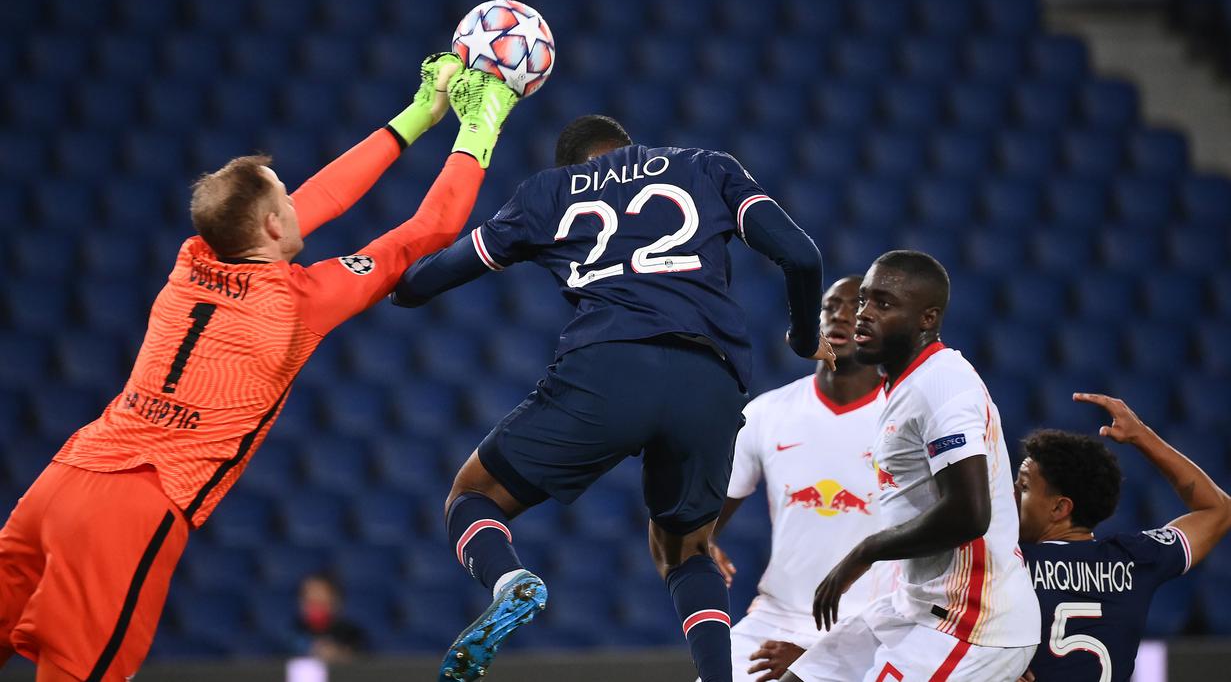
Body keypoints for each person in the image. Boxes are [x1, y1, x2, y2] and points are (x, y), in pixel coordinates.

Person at [0, 54, 520, 682]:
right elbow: (431, 227)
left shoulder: (192, 258)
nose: (300, 203)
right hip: (133, 503)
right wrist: (481, 123)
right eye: (284, 198)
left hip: (63, 478)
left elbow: (318, 198)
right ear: (273, 225)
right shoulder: (298, 305)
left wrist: (419, 114)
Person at [391, 114, 835, 682]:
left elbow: (426, 281)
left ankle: (509, 580)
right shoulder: (707, 167)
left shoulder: (546, 193)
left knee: (473, 494)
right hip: (711, 380)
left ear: (572, 165)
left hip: (608, 367)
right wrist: (802, 341)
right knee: (686, 548)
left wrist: (386, 277)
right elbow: (802, 257)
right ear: (626, 148)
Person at [783, 250, 1040, 682]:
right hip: (915, 603)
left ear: (927, 318)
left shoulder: (942, 384)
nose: (862, 315)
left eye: (883, 304)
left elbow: (970, 513)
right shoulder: (902, 383)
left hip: (969, 622)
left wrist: (864, 553)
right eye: (864, 300)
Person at [707, 275, 890, 682]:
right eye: (829, 307)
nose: (839, 316)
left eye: (855, 306)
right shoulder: (767, 413)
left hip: (875, 628)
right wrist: (705, 542)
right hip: (775, 619)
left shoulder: (905, 416)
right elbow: (705, 517)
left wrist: (812, 657)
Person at [1014, 393, 1231, 682]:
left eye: (1024, 487)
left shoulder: (1009, 562)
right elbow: (1219, 510)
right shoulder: (1134, 560)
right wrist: (1141, 436)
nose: (1011, 495)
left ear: (1060, 507)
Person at [294, 574, 366, 663]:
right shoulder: (292, 630)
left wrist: (338, 655)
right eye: (311, 601)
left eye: (321, 602)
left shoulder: (350, 633)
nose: (316, 608)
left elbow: (360, 663)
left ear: (335, 602)